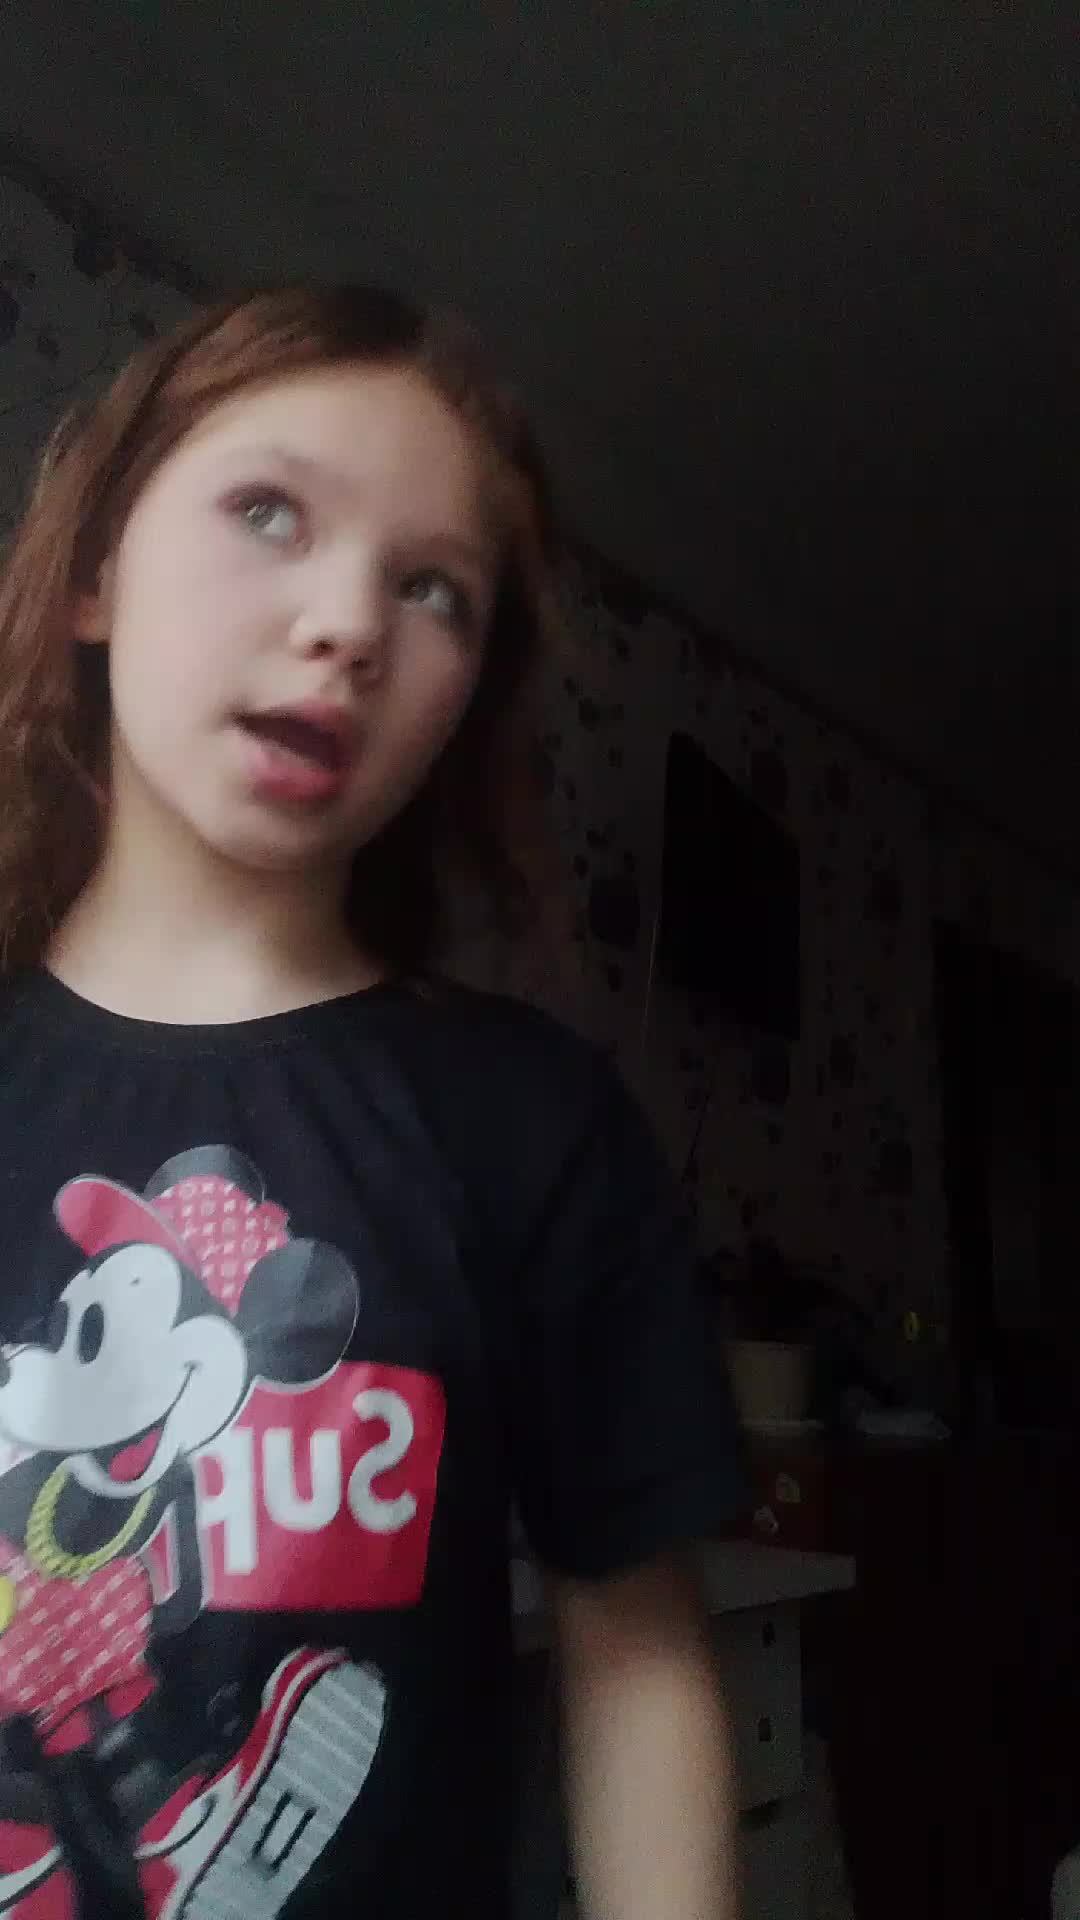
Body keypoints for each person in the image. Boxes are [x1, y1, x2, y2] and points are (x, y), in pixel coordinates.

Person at [0, 284, 741, 1919]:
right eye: (270, 512)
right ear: (98, 570)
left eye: (434, 590)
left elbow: (637, 1662)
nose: (349, 623)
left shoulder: (531, 1125)